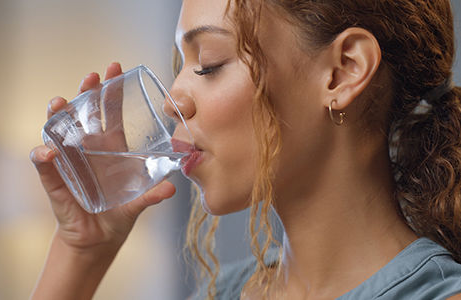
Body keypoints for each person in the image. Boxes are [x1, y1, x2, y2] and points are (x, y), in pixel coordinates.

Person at [30, 0, 461, 299]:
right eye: (182, 67)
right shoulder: (222, 294)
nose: (172, 100)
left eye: (209, 64)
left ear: (343, 71)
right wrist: (82, 251)